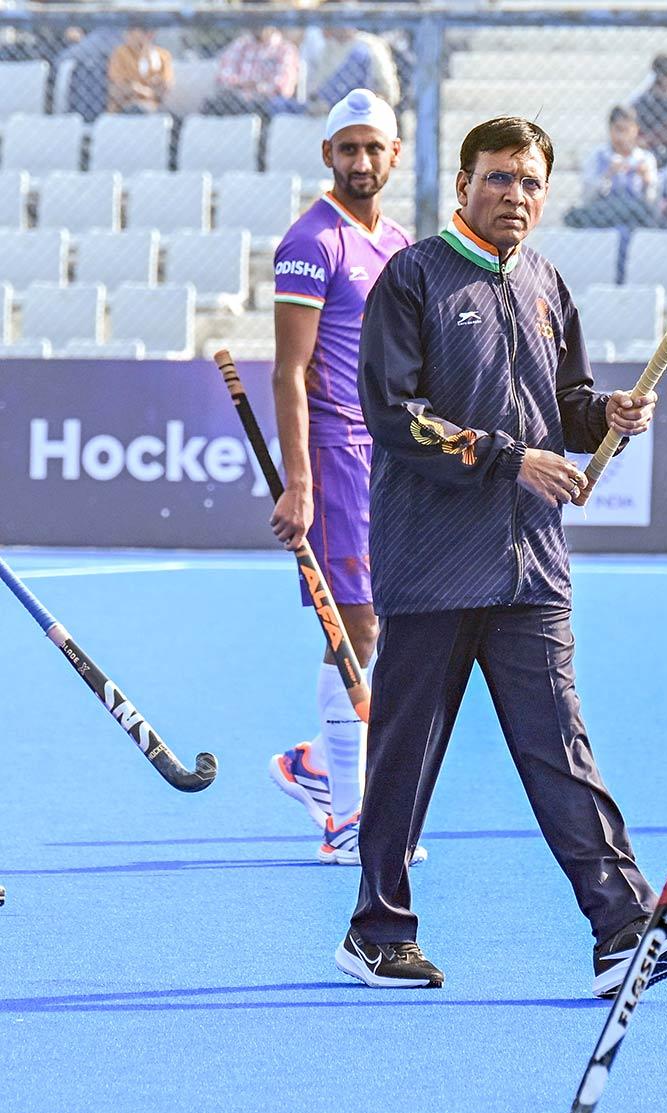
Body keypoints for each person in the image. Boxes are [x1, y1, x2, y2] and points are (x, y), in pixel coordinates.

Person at [342, 116, 667, 995]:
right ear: (464, 184)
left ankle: (624, 928)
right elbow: (394, 416)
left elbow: (566, 404)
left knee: (561, 747)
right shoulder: (412, 278)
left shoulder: (547, 283)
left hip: (531, 567)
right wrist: (511, 458)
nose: (516, 195)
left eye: (532, 182)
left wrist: (606, 414)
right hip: (432, 565)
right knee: (407, 755)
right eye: (500, 178)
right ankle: (376, 931)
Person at [268, 89, 419, 868]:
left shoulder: (397, 241)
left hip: (391, 456)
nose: (361, 161)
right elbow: (288, 372)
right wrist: (298, 482)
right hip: (335, 458)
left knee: (379, 626)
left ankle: (318, 765)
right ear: (328, 154)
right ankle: (347, 817)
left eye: (373, 148)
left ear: (394, 156)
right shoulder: (310, 240)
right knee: (353, 628)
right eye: (348, 148)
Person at [566, 105, 659, 229]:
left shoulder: (645, 158)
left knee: (638, 212)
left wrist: (646, 180)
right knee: (577, 215)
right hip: (604, 210)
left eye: (627, 130)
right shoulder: (598, 155)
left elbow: (652, 202)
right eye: (618, 129)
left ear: (636, 130)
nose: (622, 136)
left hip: (635, 212)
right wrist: (607, 174)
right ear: (610, 130)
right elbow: (587, 197)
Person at [105, 26, 173, 115]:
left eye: (150, 30)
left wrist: (136, 88)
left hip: (151, 110)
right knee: (133, 108)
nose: (149, 34)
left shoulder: (163, 55)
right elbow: (119, 89)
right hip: (122, 109)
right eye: (143, 30)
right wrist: (150, 91)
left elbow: (163, 91)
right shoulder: (120, 53)